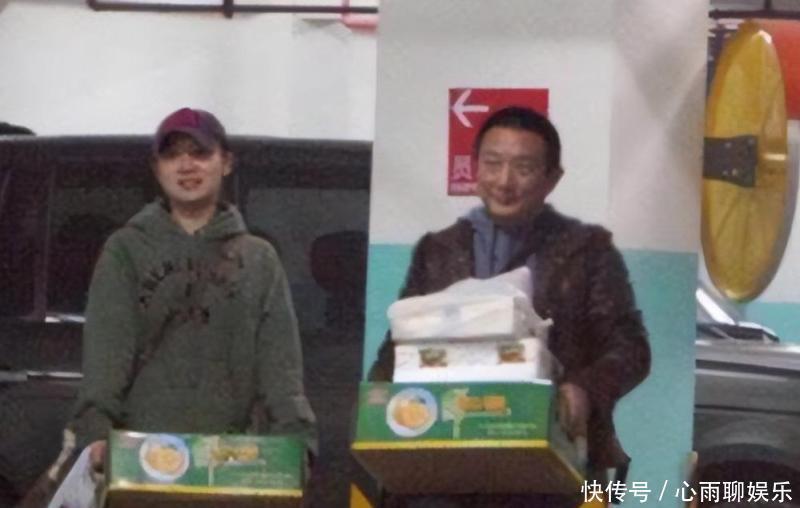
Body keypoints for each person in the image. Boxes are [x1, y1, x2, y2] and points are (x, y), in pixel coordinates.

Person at [369, 106, 651, 508]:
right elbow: (397, 349)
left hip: (547, 468)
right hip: (444, 464)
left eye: (523, 168)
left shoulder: (588, 252)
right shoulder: (437, 251)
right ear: (474, 168)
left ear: (552, 179)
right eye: (493, 163)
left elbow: (630, 348)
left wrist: (585, 389)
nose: (504, 181)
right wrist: (380, 407)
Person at [64, 107, 317, 471]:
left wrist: (297, 444)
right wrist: (95, 435)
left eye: (200, 152)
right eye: (172, 155)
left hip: (232, 462)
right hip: (140, 460)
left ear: (226, 162)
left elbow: (281, 370)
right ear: (157, 168)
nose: (186, 165)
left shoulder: (258, 259)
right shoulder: (125, 250)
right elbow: (105, 357)